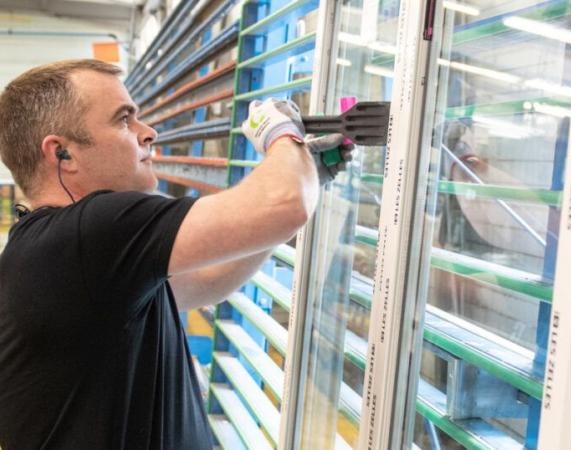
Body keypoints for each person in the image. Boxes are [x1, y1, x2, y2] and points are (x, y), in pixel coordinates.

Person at [0, 59, 352, 450]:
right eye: (123, 120)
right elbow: (283, 205)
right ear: (63, 153)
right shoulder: (89, 232)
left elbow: (207, 279)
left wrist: (308, 172)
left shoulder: (63, 251)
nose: (147, 132)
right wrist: (280, 132)